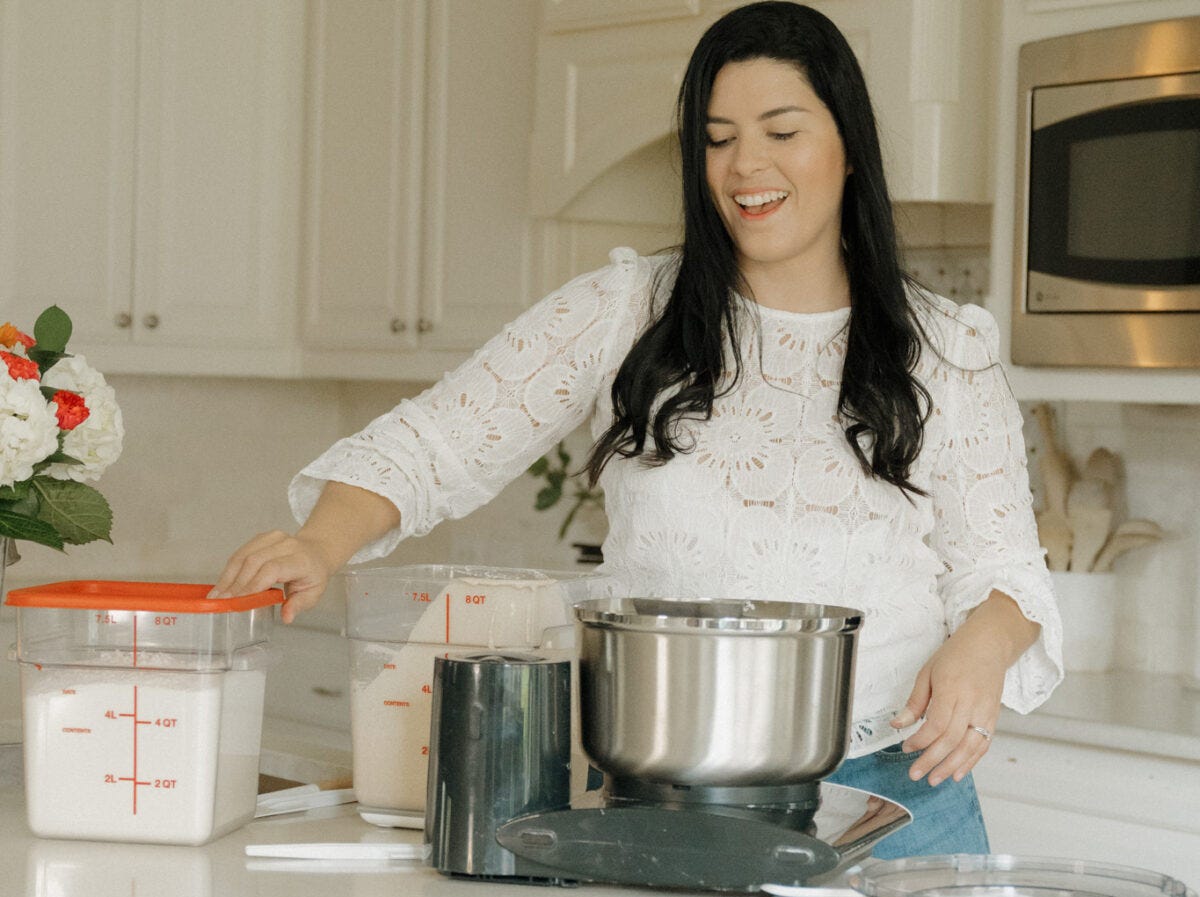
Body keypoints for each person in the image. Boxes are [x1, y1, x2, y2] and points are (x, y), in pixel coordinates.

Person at [211, 1, 1062, 858]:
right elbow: (435, 442)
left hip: (900, 797)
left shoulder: (944, 347)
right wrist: (319, 541)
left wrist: (983, 647)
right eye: (718, 139)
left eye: (781, 131)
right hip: (670, 804)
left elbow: (1004, 569)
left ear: (849, 146)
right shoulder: (626, 311)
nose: (745, 165)